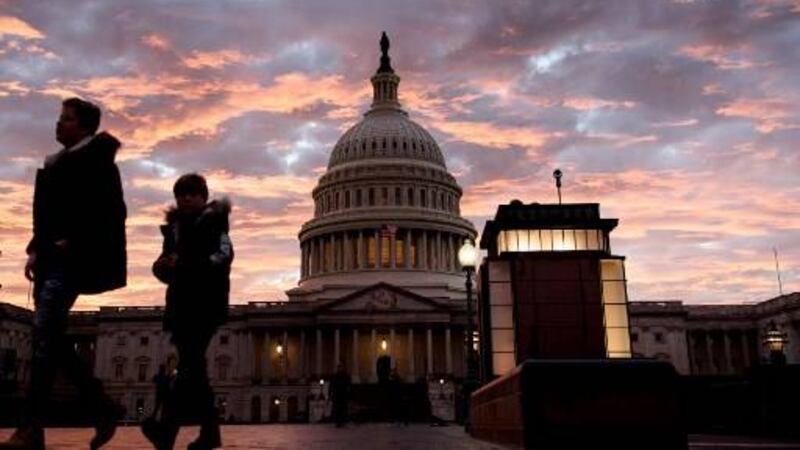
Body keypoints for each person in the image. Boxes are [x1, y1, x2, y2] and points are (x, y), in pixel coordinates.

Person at [1, 98, 127, 450]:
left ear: (85, 127)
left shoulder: (99, 162)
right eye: (59, 117)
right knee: (47, 340)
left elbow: (111, 212)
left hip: (73, 260)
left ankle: (34, 426)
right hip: (51, 258)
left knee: (44, 333)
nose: (59, 124)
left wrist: (71, 241)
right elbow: (48, 215)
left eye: (67, 119)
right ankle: (93, 408)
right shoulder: (58, 163)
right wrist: (36, 247)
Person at [141, 174, 232, 450]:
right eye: (181, 195)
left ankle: (168, 430)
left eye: (192, 194)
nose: (186, 199)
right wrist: (162, 266)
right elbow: (167, 263)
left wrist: (186, 263)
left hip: (206, 304)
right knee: (193, 369)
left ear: (204, 197)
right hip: (180, 305)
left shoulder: (215, 224)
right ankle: (207, 433)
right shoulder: (174, 229)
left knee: (191, 365)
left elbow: (223, 257)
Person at [330, 362, 351, 427]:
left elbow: (348, 386)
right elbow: (332, 385)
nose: (340, 369)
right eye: (339, 367)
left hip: (343, 395)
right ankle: (338, 422)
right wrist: (331, 393)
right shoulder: (335, 376)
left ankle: (343, 422)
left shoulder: (346, 376)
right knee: (337, 409)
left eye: (341, 367)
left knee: (343, 409)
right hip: (337, 395)